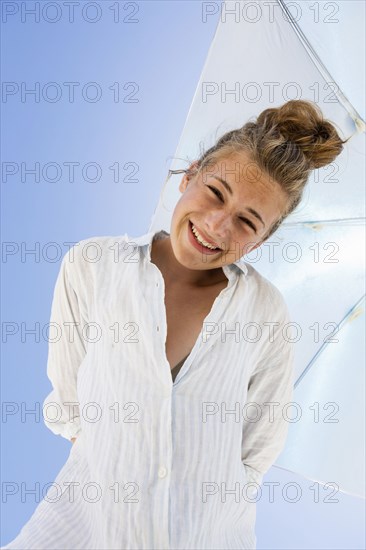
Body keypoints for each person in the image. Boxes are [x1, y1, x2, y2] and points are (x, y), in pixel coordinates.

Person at [2, 100, 347, 550]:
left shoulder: (265, 314)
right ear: (189, 175)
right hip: (81, 530)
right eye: (215, 192)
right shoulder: (93, 265)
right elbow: (71, 402)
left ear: (263, 238)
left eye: (247, 222)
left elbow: (255, 451)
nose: (217, 227)